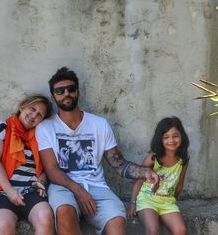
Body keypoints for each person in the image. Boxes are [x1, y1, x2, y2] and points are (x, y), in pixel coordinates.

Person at [35, 67, 159, 235]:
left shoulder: (99, 124)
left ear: (78, 91)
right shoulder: (45, 127)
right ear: (53, 97)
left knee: (117, 219)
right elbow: (52, 169)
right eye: (60, 91)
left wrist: (145, 172)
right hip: (63, 186)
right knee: (64, 211)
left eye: (71, 89)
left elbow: (118, 163)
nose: (66, 94)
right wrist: (79, 191)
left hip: (96, 186)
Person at [0, 94, 54, 235]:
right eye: (32, 109)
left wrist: (41, 181)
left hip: (29, 192)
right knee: (4, 226)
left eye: (39, 115)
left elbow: (46, 167)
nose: (34, 115)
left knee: (46, 218)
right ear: (22, 106)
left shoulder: (40, 134)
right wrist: (10, 192)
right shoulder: (3, 126)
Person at [127, 117, 189, 235]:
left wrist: (172, 202)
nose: (171, 140)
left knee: (181, 230)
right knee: (153, 230)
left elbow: (180, 184)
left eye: (175, 136)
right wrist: (133, 203)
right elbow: (139, 182)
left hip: (167, 202)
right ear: (160, 139)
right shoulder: (153, 158)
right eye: (166, 137)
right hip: (147, 200)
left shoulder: (183, 159)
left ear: (182, 137)